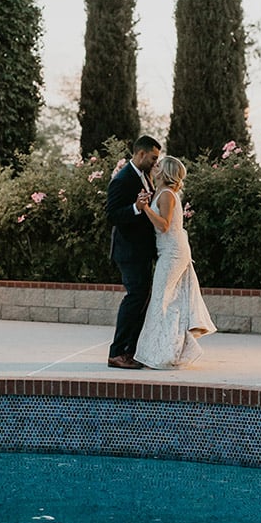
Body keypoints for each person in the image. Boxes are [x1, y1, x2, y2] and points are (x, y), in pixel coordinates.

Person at [134, 155, 216, 369]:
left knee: (162, 300)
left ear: (166, 172)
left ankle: (162, 354)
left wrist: (146, 209)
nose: (155, 166)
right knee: (168, 301)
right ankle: (168, 350)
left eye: (159, 165)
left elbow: (163, 225)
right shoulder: (160, 192)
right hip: (168, 251)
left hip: (173, 253)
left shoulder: (168, 195)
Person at [105, 135, 162, 369]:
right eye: (153, 157)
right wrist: (136, 209)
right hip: (129, 251)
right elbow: (112, 215)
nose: (156, 162)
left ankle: (130, 350)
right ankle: (117, 352)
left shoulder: (146, 176)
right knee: (135, 298)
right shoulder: (122, 179)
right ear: (140, 154)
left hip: (142, 251)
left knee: (141, 298)